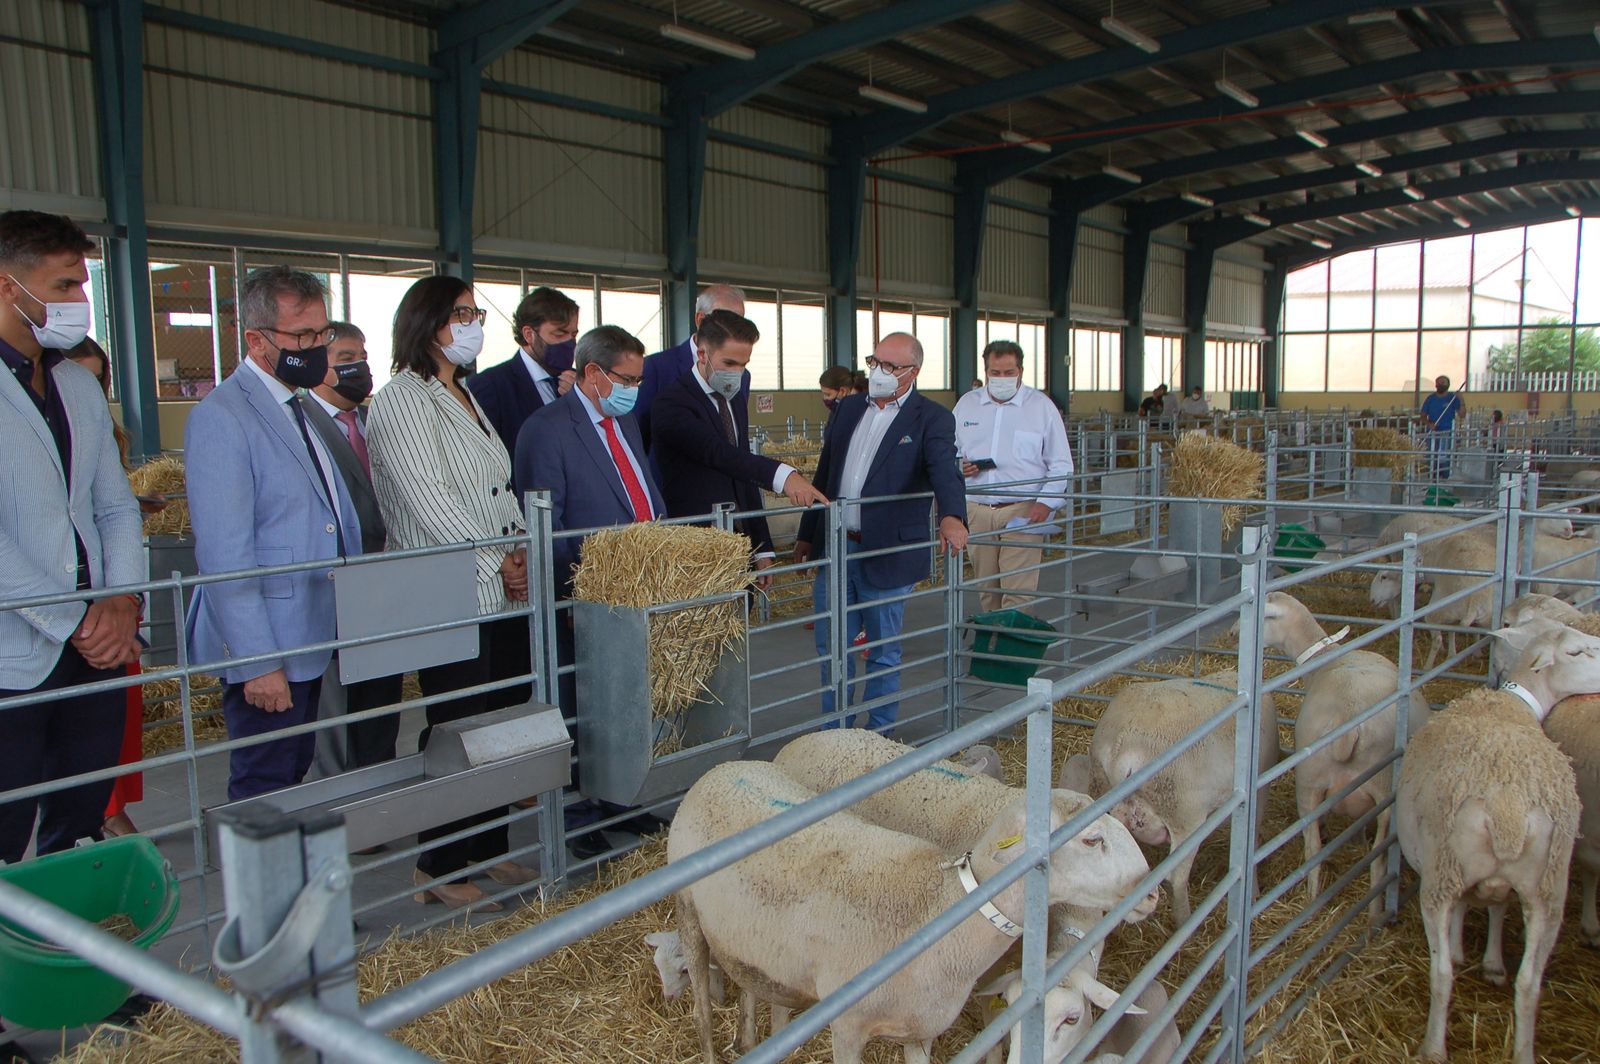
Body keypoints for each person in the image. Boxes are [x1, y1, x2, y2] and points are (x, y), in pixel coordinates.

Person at [365, 276, 535, 910]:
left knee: (499, 718)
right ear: (427, 322)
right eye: (459, 313)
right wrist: (500, 559)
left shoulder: (462, 393)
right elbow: (427, 499)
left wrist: (520, 550)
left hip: (501, 586)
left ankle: (486, 849)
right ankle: (436, 867)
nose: (472, 324)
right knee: (455, 725)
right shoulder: (403, 400)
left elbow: (499, 487)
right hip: (448, 586)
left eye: (474, 313)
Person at [184, 267, 361, 805]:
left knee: (294, 769)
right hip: (270, 643)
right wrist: (258, 661)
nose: (315, 348)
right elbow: (224, 552)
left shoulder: (300, 405)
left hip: (311, 629)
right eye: (301, 338)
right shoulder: (224, 415)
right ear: (257, 340)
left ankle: (288, 880)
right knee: (265, 779)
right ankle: (260, 887)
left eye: (321, 334)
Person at [0, 210, 144, 867]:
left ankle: (73, 954)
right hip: (15, 655)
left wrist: (120, 601)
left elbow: (113, 505)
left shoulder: (77, 384)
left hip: (97, 649)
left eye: (81, 285)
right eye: (63, 286)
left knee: (81, 818)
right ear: (9, 288)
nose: (79, 302)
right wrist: (76, 617)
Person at [516, 325, 668, 856]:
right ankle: (579, 815)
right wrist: (571, 600)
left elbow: (642, 493)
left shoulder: (621, 420)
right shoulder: (548, 429)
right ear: (593, 374)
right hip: (587, 599)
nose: (634, 389)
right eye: (626, 379)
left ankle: (624, 797)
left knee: (627, 701)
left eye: (639, 379)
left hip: (637, 591)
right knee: (580, 704)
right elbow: (547, 525)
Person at [794, 333, 967, 732]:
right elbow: (826, 471)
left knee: (883, 649)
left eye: (891, 366)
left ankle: (878, 735)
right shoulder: (850, 408)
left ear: (913, 372)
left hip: (887, 551)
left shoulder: (932, 418)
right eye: (875, 363)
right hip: (838, 549)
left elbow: (944, 469)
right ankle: (834, 732)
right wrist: (808, 533)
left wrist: (952, 515)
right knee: (832, 648)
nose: (880, 372)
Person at [650, 311, 827, 587]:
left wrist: (762, 546)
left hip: (739, 547)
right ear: (702, 354)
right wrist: (782, 476)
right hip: (695, 551)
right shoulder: (671, 404)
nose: (736, 373)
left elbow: (742, 469)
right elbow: (718, 454)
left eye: (743, 364)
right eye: (729, 362)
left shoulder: (732, 400)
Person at [297, 322, 404, 775]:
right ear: (319, 364)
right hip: (334, 583)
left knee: (382, 697)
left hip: (382, 583)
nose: (359, 368)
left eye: (361, 356)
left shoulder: (374, 422)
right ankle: (344, 804)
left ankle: (377, 788)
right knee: (335, 704)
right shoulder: (300, 424)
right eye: (345, 360)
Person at [67, 337, 154, 840]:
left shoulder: (103, 428)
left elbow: (109, 503)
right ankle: (105, 811)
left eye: (97, 379)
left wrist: (124, 597)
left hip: (114, 600)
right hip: (64, 607)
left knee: (117, 713)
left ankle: (107, 807)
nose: (89, 387)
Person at [953, 340, 1074, 615]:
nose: (1002, 378)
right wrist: (958, 465)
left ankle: (1011, 653)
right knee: (987, 588)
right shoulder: (967, 405)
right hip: (977, 508)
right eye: (995, 372)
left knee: (1018, 590)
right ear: (985, 371)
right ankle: (993, 645)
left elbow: (1061, 462)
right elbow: (950, 448)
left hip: (1023, 509)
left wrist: (1046, 503)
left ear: (1021, 370)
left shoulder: (1041, 407)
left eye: (1009, 372)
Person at [466, 286, 580, 469]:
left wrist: (581, 404)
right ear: (529, 334)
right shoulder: (492, 386)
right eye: (559, 334)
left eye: (573, 334)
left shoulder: (581, 383)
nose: (569, 342)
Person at [636, 283, 748, 460]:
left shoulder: (742, 374)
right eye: (727, 321)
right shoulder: (658, 367)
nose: (735, 330)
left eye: (740, 322)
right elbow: (640, 434)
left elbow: (737, 437)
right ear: (700, 320)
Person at [1420, 375, 1461, 479]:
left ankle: (1445, 477)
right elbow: (1423, 415)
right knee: (1432, 455)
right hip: (1433, 432)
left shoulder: (1452, 398)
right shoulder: (1430, 399)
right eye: (1438, 383)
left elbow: (1462, 414)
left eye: (1443, 383)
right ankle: (1432, 477)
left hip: (1447, 432)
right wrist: (1429, 423)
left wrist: (1461, 399)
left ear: (1448, 385)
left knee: (1445, 455)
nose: (1440, 385)